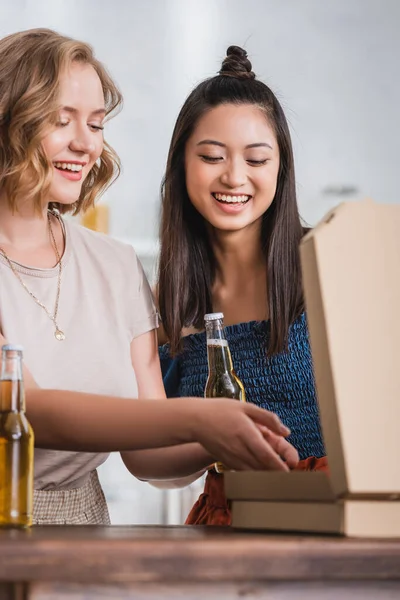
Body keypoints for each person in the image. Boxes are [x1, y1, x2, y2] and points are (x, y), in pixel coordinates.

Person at [0, 30, 299, 525]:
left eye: (95, 124)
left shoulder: (115, 264)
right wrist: (202, 418)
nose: (85, 143)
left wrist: (220, 438)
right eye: (61, 119)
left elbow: (146, 457)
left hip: (86, 529)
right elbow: (31, 411)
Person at [157, 46, 326, 525]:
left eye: (256, 159)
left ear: (280, 168)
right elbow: (155, 464)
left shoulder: (328, 265)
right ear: (181, 165)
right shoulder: (169, 299)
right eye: (212, 156)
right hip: (228, 527)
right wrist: (215, 438)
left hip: (339, 525)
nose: (234, 177)